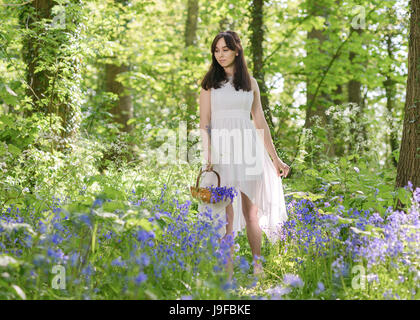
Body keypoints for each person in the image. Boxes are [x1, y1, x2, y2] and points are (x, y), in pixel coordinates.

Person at [198, 31, 290, 279]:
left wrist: (275, 158)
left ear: (237, 50)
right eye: (216, 50)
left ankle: (258, 267)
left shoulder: (251, 83)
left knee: (252, 211)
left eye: (225, 49)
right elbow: (204, 123)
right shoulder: (209, 85)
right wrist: (208, 155)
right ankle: (227, 274)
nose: (220, 55)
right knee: (225, 212)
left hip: (249, 149)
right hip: (221, 151)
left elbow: (260, 122)